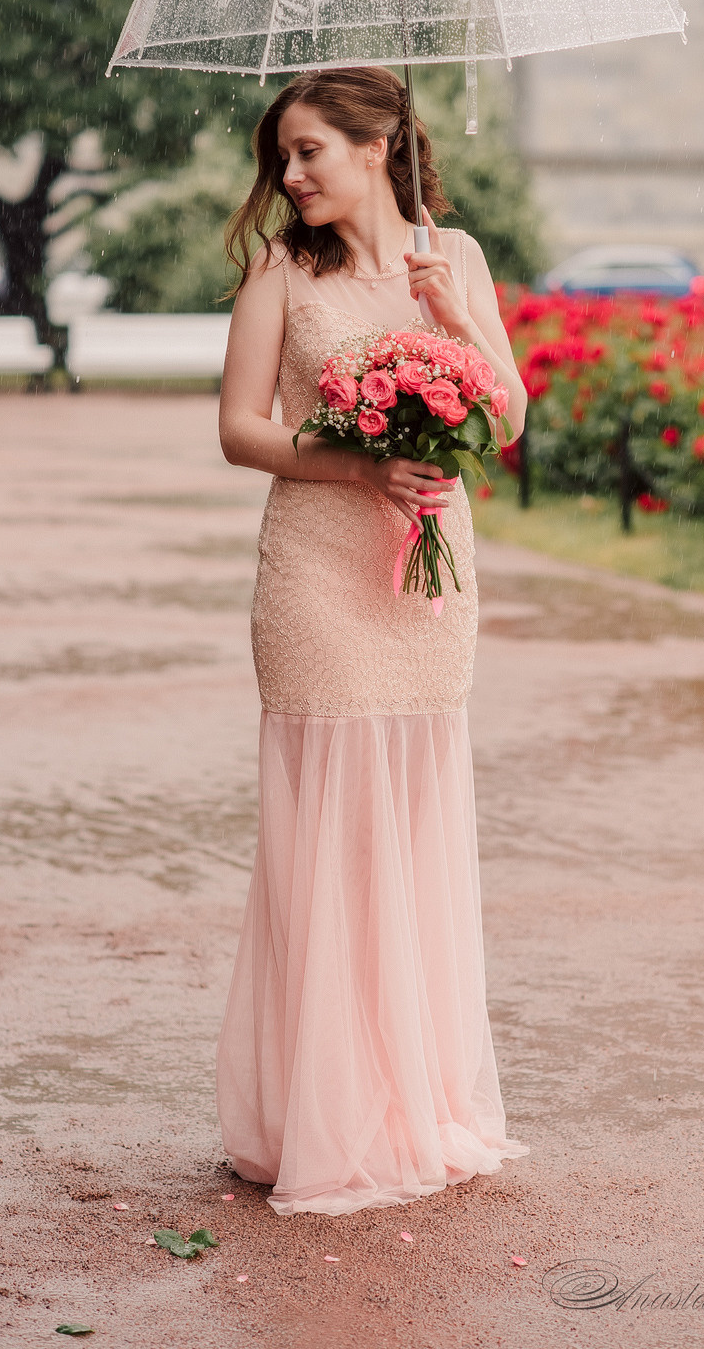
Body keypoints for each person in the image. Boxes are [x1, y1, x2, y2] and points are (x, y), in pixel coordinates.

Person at [215, 65, 530, 1216]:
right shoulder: (280, 272)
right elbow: (241, 430)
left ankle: (411, 1099)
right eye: (283, 158)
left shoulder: (461, 259)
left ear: (378, 142)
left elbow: (506, 415)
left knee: (408, 822)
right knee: (330, 832)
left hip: (426, 580)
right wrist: (354, 461)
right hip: (315, 576)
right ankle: (319, 1112)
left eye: (308, 153)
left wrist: (451, 320)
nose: (289, 176)